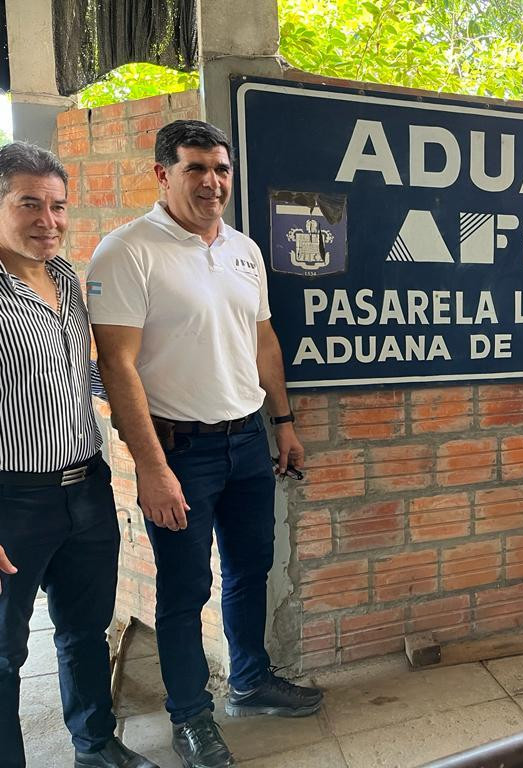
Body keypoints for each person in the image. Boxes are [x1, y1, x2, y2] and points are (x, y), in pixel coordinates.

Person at [87, 121, 321, 768]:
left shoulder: (244, 249)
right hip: (179, 454)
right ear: (162, 175)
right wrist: (152, 470)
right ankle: (190, 718)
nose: (212, 182)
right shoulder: (127, 251)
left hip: (247, 441)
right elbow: (117, 365)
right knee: (184, 589)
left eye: (221, 168)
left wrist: (284, 423)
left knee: (252, 569)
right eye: (196, 168)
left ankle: (250, 681)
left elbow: (264, 340)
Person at [0, 142, 158, 768]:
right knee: (5, 653)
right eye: (28, 204)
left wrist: (147, 419)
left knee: (84, 631)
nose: (49, 220)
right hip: (11, 499)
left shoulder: (69, 278)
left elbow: (87, 374)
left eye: (58, 206)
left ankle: (96, 749)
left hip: (85, 487)